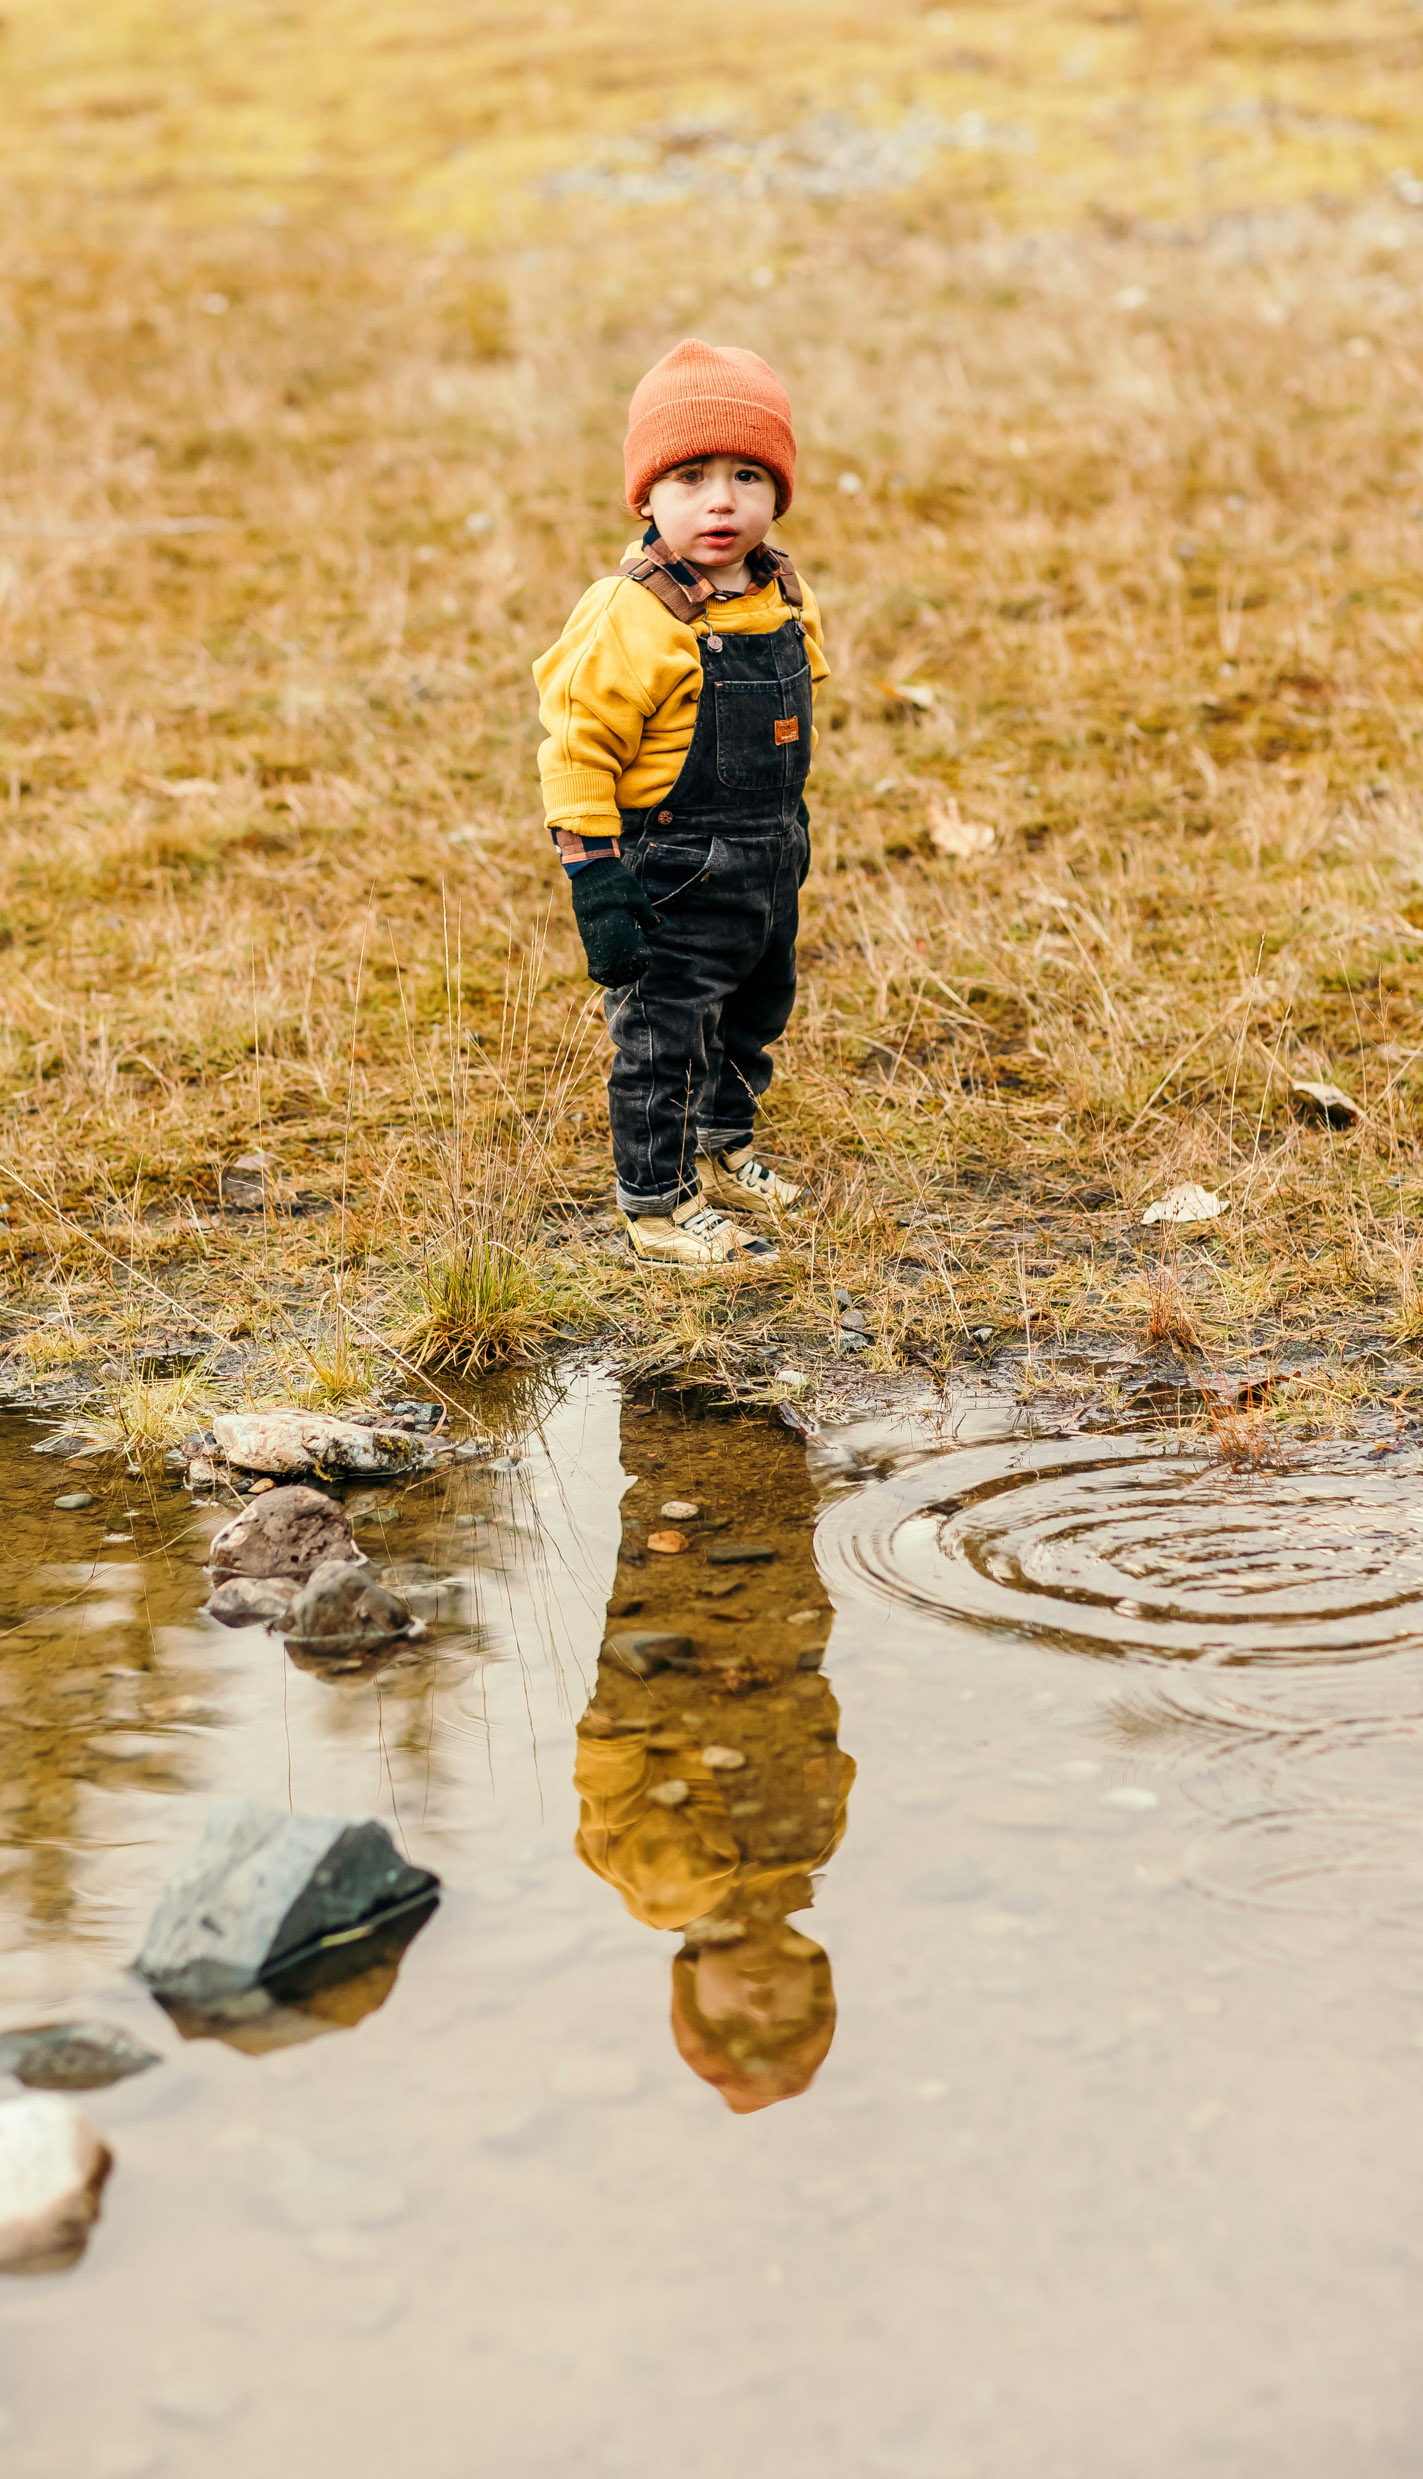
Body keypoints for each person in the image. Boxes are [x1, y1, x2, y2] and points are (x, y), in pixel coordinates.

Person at [534, 339, 830, 1272]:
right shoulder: (631, 613)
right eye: (691, 476)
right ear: (646, 496)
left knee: (752, 1012)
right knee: (665, 1038)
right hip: (670, 868)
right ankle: (657, 1204)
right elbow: (577, 746)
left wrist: (788, 843)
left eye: (748, 476)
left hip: (770, 857)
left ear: (777, 494)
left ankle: (725, 1144)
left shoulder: (780, 592)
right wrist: (595, 880)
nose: (721, 501)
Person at [573, 1396, 852, 2113]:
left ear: (690, 1987)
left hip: (666, 1662)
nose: (760, 1999)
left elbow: (605, 1785)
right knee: (778, 1503)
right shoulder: (809, 1856)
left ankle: (664, 1396)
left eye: (732, 2017)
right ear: (815, 1981)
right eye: (787, 2013)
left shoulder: (663, 1893)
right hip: (776, 1649)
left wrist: (618, 1705)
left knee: (672, 1505)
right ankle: (752, 1404)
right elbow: (826, 1745)